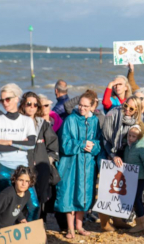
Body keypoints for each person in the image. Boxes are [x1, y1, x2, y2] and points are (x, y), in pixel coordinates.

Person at [54, 92, 101, 239]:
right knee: (70, 193)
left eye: (86, 106)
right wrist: (81, 145)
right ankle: (70, 228)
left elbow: (99, 142)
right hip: (71, 163)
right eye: (80, 105)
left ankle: (80, 226)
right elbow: (64, 143)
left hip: (87, 164)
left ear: (92, 106)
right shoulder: (70, 120)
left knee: (84, 194)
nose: (82, 108)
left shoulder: (95, 121)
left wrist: (93, 147)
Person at [0, 84, 39, 221]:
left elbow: (31, 144)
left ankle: (32, 235)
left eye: (7, 99)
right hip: (2, 167)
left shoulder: (26, 121)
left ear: (16, 98)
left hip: (22, 169)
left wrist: (7, 141)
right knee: (3, 205)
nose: (4, 103)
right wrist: (21, 144)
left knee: (34, 205)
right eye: (1, 100)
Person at [100, 96, 143, 232]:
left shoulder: (137, 121)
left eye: (131, 108)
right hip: (108, 151)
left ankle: (118, 219)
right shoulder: (112, 114)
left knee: (121, 189)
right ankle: (104, 223)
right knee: (107, 189)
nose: (127, 110)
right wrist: (113, 155)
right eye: (125, 106)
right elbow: (105, 139)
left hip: (124, 154)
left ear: (137, 110)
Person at [18, 92, 60, 222]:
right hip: (22, 167)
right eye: (28, 104)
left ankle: (39, 227)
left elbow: (53, 145)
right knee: (22, 196)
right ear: (23, 105)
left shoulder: (43, 124)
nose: (32, 107)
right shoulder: (16, 124)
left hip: (41, 169)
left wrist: (47, 160)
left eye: (35, 104)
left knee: (40, 198)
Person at [122, 123, 144, 233]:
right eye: (129, 135)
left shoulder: (142, 147)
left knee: (136, 198)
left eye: (134, 136)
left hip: (140, 176)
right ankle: (139, 221)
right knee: (133, 198)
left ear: (139, 137)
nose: (131, 138)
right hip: (130, 176)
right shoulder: (128, 146)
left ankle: (142, 223)